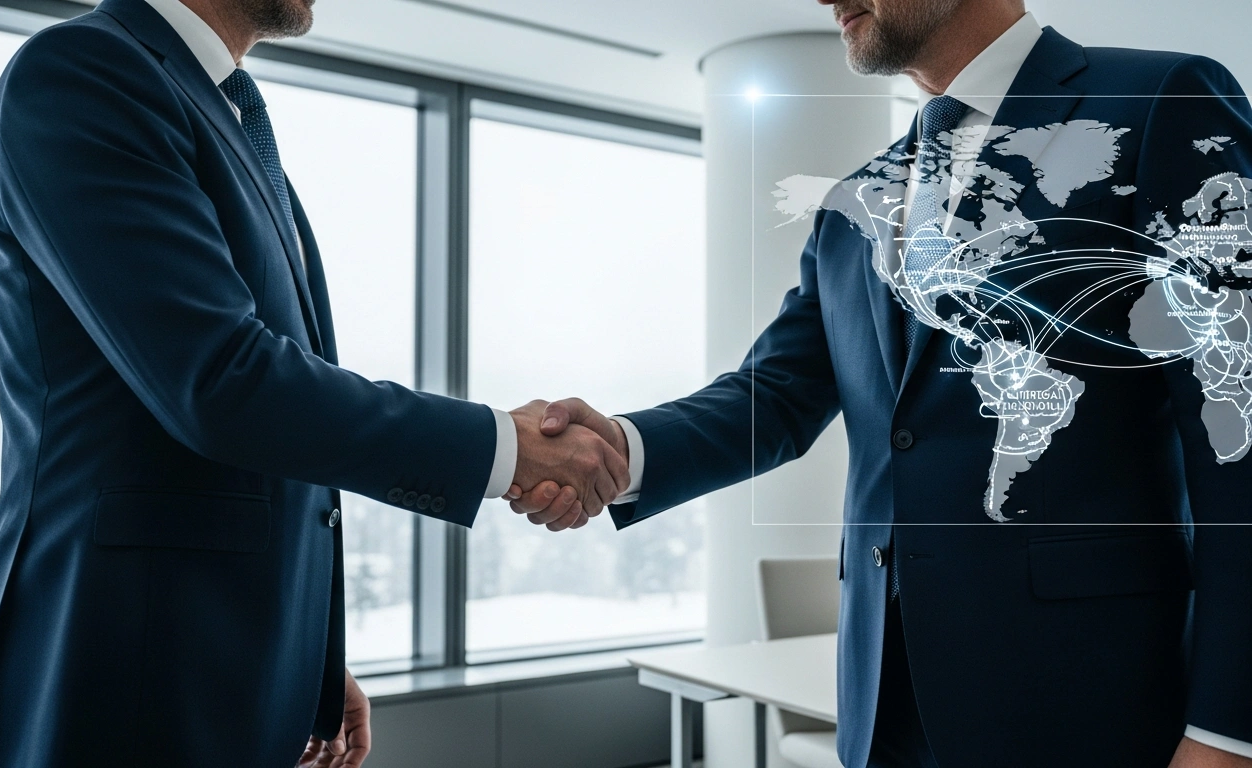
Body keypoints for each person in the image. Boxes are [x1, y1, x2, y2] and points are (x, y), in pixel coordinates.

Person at [509, 0, 1252, 765]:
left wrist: (1229, 731)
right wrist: (618, 450)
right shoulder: (852, 203)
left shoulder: (1163, 103)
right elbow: (776, 397)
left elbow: (1242, 421)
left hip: (1090, 705)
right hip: (885, 700)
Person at [0, 0, 626, 763]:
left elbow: (250, 440)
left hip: (217, 668)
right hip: (111, 676)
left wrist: (310, 653)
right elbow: (222, 382)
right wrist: (507, 449)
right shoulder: (82, 73)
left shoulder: (222, 111)